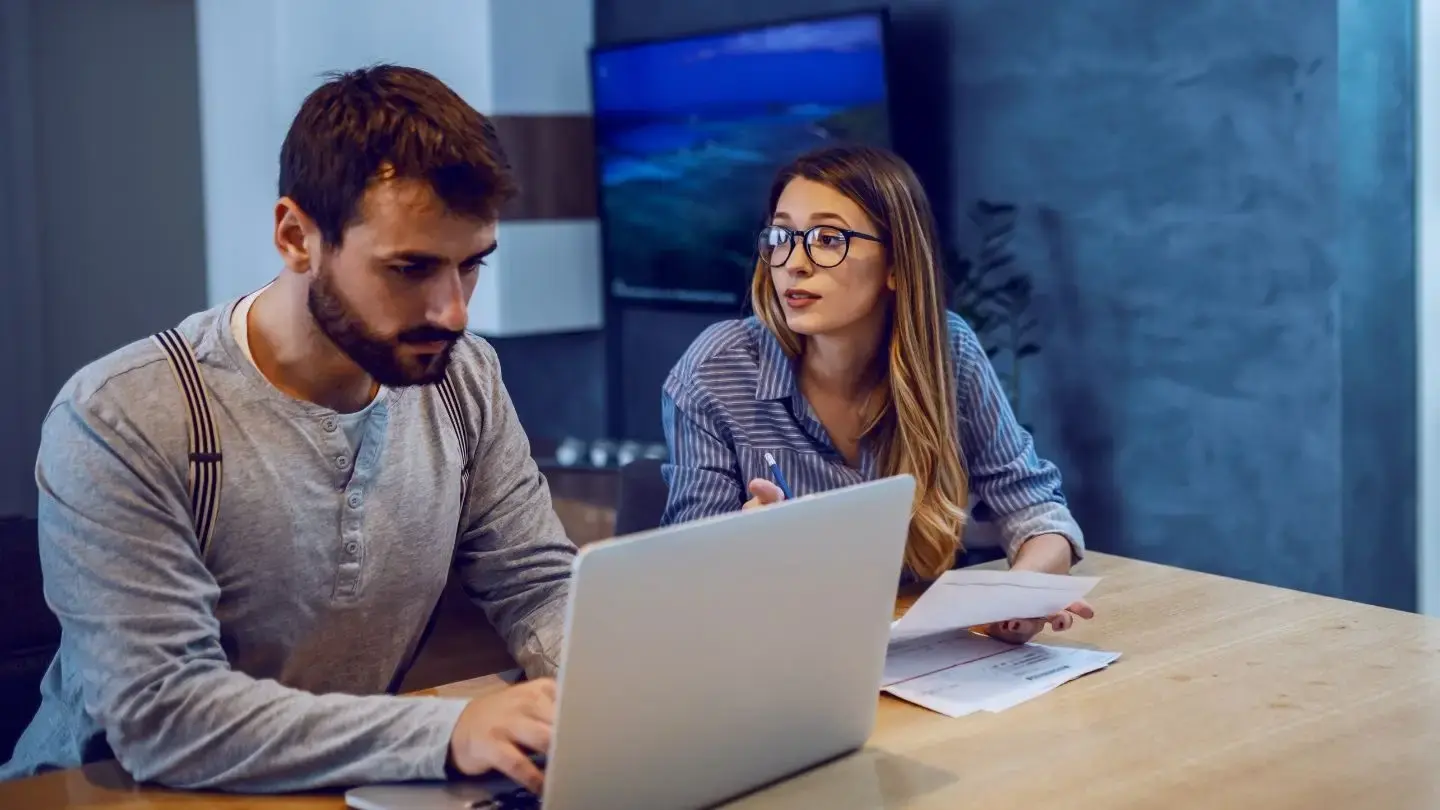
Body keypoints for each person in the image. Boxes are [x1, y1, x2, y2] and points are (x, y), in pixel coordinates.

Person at [1, 65, 567, 795]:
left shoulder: (465, 379)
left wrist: (613, 683)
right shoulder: (122, 414)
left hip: (330, 785)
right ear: (297, 236)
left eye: (470, 267)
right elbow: (162, 714)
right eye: (411, 268)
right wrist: (451, 730)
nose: (453, 311)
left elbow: (536, 585)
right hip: (99, 792)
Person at [660, 145, 1092, 644]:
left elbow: (1037, 509)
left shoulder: (948, 352)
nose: (793, 264)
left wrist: (1024, 592)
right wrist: (740, 546)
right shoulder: (717, 368)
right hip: (777, 653)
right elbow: (690, 579)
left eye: (827, 238)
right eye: (781, 236)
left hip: (918, 652)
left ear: (895, 265)